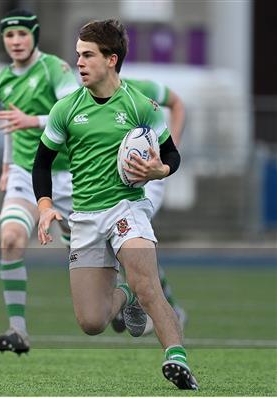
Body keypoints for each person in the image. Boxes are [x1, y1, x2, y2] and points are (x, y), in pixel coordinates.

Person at [32, 20, 198, 390]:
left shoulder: (141, 105)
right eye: (78, 55)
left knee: (148, 283)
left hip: (128, 208)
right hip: (85, 216)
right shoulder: (66, 109)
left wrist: (160, 169)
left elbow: (172, 152)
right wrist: (45, 206)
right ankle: (126, 296)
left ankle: (176, 358)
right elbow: (42, 161)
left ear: (112, 59)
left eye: (87, 55)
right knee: (91, 322)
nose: (79, 62)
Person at [0, 9, 79, 355]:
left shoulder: (55, 69)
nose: (15, 41)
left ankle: (118, 299)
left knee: (84, 252)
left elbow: (75, 111)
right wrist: (7, 165)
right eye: (9, 36)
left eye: (22, 35)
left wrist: (34, 119)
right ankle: (18, 330)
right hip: (27, 173)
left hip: (69, 174)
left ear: (35, 36)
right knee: (10, 239)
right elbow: (13, 124)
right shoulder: (2, 80)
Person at [111, 78, 188, 335]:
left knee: (130, 235)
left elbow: (177, 103)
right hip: (114, 184)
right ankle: (169, 307)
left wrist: (170, 145)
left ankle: (134, 299)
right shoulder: (86, 98)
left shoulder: (141, 89)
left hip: (149, 180)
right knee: (132, 245)